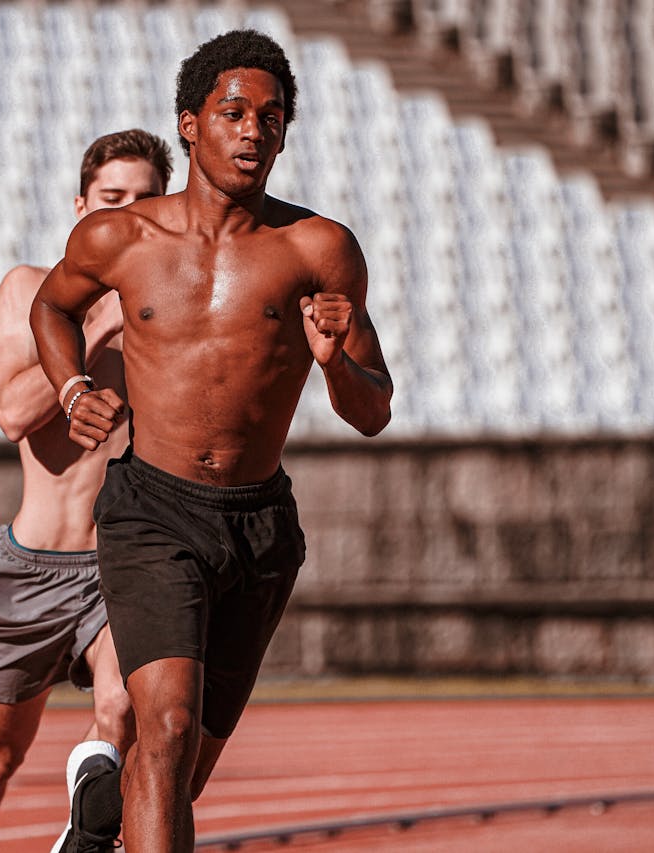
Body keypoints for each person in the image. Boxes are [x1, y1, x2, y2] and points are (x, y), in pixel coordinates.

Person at [30, 30, 394, 852]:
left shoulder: (320, 249)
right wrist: (72, 387)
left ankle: (94, 820)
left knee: (180, 766)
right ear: (191, 123)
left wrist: (336, 365)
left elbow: (373, 409)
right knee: (164, 729)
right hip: (153, 511)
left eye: (271, 118)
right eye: (234, 112)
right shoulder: (120, 239)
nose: (253, 131)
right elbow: (50, 307)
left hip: (260, 526)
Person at [0, 129, 174, 853]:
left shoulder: (173, 318)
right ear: (82, 206)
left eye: (145, 202)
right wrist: (101, 319)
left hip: (121, 562)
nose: (128, 216)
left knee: (119, 711)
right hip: (32, 564)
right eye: (112, 200)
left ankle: (81, 839)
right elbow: (13, 410)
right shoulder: (28, 287)